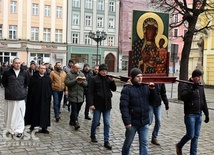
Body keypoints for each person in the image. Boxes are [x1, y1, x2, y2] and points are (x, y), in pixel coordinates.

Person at [120, 68, 158, 155]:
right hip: (132, 122)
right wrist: (127, 122)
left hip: (144, 121)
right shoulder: (127, 89)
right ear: (132, 77)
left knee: (144, 143)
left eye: (141, 76)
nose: (140, 78)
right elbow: (123, 107)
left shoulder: (145, 87)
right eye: (138, 77)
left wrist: (152, 91)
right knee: (128, 143)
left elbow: (154, 101)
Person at [175, 69, 209, 155]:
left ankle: (193, 153)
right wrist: (192, 88)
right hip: (190, 114)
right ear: (194, 77)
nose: (200, 78)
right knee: (190, 134)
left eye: (200, 77)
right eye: (198, 77)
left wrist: (206, 113)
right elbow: (183, 97)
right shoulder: (187, 85)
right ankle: (179, 145)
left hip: (199, 114)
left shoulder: (200, 86)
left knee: (196, 136)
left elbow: (203, 100)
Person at [87, 64, 117, 150]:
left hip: (107, 105)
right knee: (96, 121)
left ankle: (106, 141)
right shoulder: (94, 79)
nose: (104, 72)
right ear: (99, 71)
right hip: (97, 105)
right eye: (103, 71)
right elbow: (90, 92)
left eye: (105, 71)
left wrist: (112, 81)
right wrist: (91, 104)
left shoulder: (108, 79)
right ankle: (93, 135)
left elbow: (114, 89)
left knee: (107, 123)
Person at [2, 58, 29, 139]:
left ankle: (19, 130)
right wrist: (10, 89)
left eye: (19, 63)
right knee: (10, 114)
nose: (17, 64)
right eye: (16, 63)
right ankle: (10, 129)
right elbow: (4, 82)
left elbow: (26, 83)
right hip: (10, 97)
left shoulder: (24, 73)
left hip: (21, 97)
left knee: (20, 115)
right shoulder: (7, 72)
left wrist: (22, 90)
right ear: (13, 64)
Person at [25, 64, 52, 134]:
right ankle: (33, 125)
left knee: (44, 113)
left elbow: (49, 88)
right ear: (38, 69)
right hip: (35, 99)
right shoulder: (33, 78)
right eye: (41, 68)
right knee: (34, 112)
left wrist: (48, 96)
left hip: (45, 99)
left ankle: (44, 127)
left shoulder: (48, 78)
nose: (43, 70)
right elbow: (30, 89)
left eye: (44, 69)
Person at [65, 63, 87, 130]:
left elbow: (86, 84)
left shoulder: (82, 74)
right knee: (74, 109)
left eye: (79, 68)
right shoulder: (69, 74)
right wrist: (75, 80)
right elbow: (67, 83)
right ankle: (76, 122)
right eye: (77, 68)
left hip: (80, 95)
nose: (78, 70)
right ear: (73, 68)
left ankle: (72, 120)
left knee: (78, 109)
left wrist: (82, 82)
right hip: (73, 95)